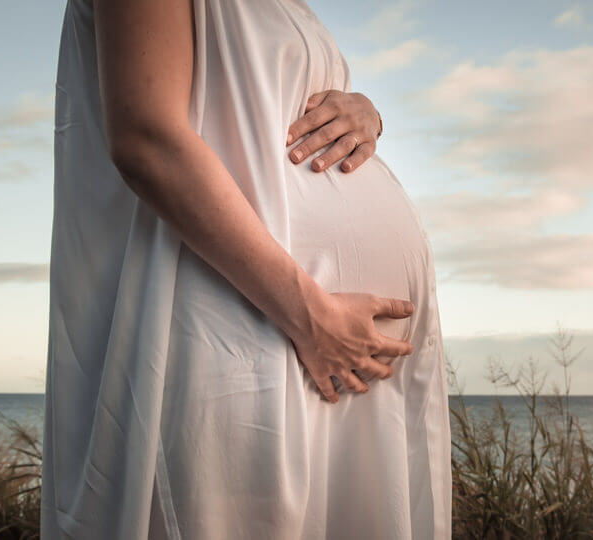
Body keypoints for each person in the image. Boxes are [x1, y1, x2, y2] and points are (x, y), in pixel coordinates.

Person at [40, 0, 452, 538]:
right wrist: (311, 318)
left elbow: (277, 105)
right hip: (249, 328)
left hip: (329, 352)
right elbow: (147, 138)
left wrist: (367, 114)